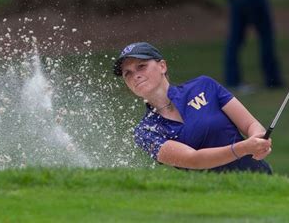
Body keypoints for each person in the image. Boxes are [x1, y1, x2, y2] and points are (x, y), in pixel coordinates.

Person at [114, 42, 273, 173]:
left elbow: (250, 124)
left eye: (141, 66)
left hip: (257, 178)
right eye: (127, 73)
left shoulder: (204, 86)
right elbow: (193, 159)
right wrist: (244, 148)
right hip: (210, 198)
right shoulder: (146, 131)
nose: (135, 75)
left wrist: (259, 140)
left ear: (162, 66)